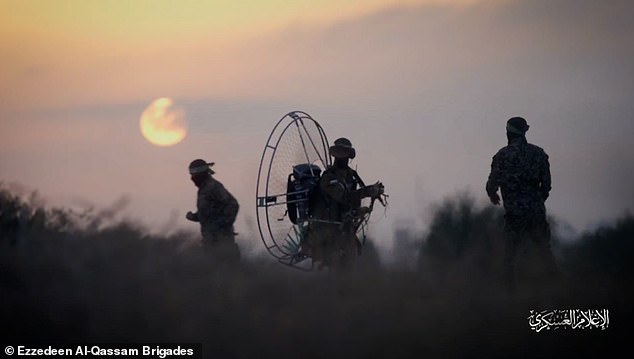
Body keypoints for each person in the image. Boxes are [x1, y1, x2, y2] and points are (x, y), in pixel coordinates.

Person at [486, 117, 558, 289]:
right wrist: (537, 202)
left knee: (509, 256)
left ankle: (509, 295)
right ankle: (559, 289)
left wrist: (493, 195)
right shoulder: (539, 154)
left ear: (508, 132)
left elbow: (491, 185)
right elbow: (547, 185)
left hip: (514, 215)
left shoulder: (502, 156)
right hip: (536, 213)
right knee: (544, 252)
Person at [306, 138, 384, 270]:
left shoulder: (350, 176)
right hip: (328, 238)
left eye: (345, 154)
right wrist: (368, 191)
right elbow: (345, 197)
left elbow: (352, 204)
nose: (343, 158)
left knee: (347, 277)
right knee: (335, 279)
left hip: (345, 238)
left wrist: (362, 208)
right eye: (340, 154)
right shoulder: (328, 178)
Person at [186, 159, 240, 263]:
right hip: (209, 243)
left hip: (222, 244)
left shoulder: (213, 187)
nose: (192, 178)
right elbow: (209, 212)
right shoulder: (203, 190)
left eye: (194, 174)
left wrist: (222, 224)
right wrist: (194, 216)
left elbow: (233, 204)